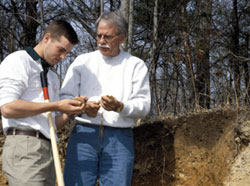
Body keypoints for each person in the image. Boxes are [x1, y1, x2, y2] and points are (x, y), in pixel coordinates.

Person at [60, 11, 151, 186]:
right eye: (99, 35)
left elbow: (144, 105)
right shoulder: (82, 62)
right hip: (84, 134)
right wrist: (83, 107)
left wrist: (120, 106)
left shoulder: (135, 65)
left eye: (108, 36)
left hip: (119, 137)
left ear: (121, 37)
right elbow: (65, 97)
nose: (102, 41)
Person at [0, 20, 87, 186]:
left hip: (48, 149)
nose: (63, 57)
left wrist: (69, 111)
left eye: (67, 53)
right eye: (61, 50)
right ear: (47, 38)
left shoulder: (52, 77)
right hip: (24, 146)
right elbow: (7, 108)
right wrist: (55, 106)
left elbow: (52, 123)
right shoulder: (18, 61)